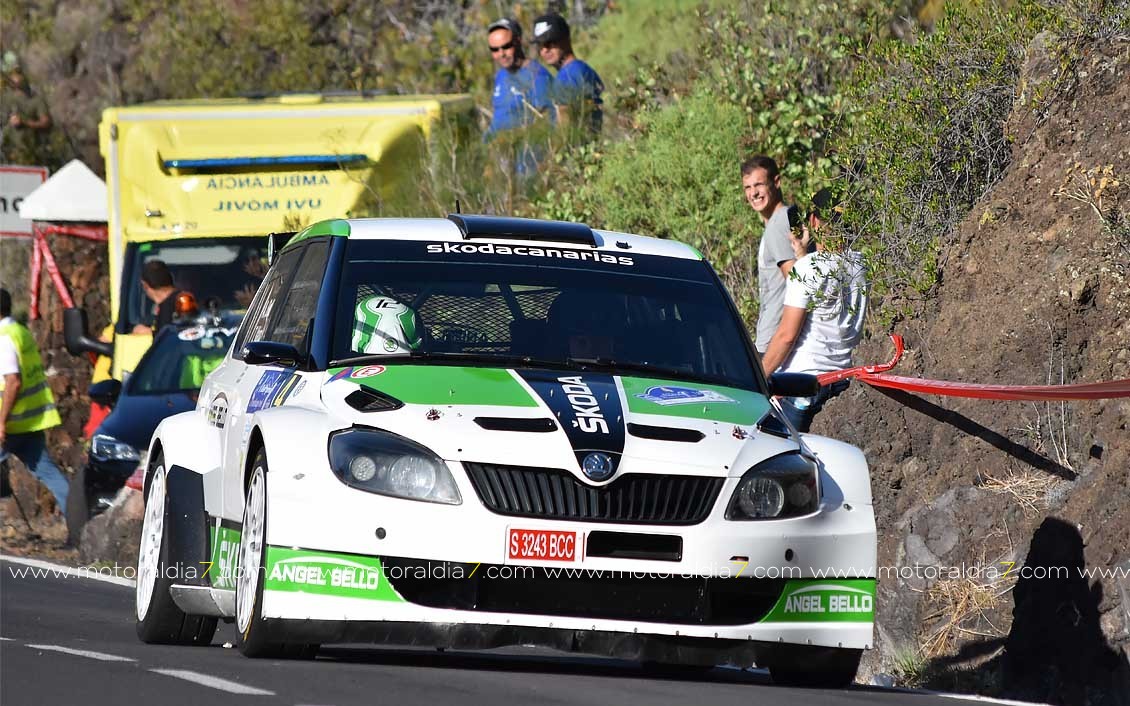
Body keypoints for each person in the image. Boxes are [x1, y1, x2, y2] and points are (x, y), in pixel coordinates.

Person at [759, 189, 869, 432]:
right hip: (842, 383)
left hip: (801, 387)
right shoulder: (861, 264)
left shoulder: (808, 267)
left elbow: (787, 335)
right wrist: (802, 252)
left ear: (814, 221)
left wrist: (757, 378)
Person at [0, 287, 70, 516]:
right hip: (30, 420)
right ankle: (79, 526)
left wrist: (2, 422)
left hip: (10, 424)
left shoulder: (4, 338)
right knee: (48, 472)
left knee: (47, 470)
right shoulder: (20, 331)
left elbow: (13, 382)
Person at [484, 18, 554, 177]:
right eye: (494, 50)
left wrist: (510, 139)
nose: (501, 54)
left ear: (518, 41)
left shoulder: (538, 76)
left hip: (527, 169)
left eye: (506, 47)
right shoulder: (501, 76)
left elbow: (548, 122)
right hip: (498, 167)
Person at [742, 155, 798, 355]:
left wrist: (784, 337)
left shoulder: (777, 224)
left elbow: (796, 282)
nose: (753, 193)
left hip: (776, 341)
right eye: (748, 187)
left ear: (776, 182)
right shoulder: (786, 218)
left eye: (759, 185)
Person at [530, 13, 604, 136]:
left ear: (565, 39)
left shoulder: (567, 77)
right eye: (540, 45)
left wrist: (555, 151)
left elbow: (564, 132)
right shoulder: (583, 69)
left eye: (549, 43)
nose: (545, 50)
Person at [132, 259, 185, 334]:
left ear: (145, 285)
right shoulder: (181, 300)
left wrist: (149, 332)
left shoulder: (173, 305)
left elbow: (172, 336)